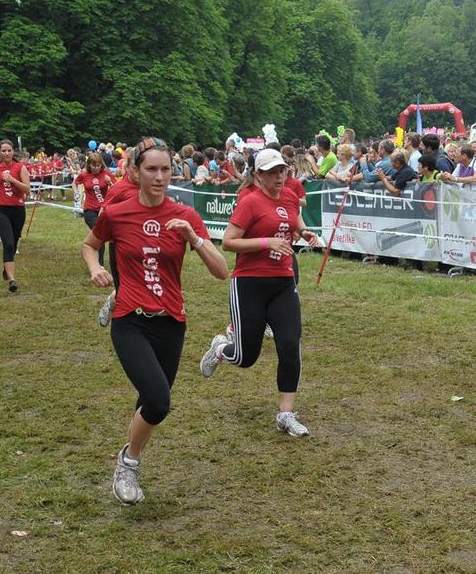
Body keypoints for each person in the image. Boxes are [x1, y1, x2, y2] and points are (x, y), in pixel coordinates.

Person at [81, 137, 228, 505]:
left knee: (149, 399)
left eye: (166, 169)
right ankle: (128, 463)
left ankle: (129, 456)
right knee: (159, 401)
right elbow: (89, 245)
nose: (160, 177)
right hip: (130, 319)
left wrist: (194, 239)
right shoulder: (117, 213)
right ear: (135, 171)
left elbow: (221, 270)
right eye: (151, 169)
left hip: (171, 322)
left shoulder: (186, 215)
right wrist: (95, 268)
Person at [199, 149, 320, 438]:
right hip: (249, 283)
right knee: (245, 357)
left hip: (283, 283)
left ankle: (286, 414)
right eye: (272, 172)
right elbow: (228, 242)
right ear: (258, 175)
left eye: (282, 170)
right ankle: (220, 348)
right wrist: (266, 243)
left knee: (290, 344)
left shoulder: (289, 196)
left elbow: (294, 222)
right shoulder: (250, 201)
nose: (279, 176)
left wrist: (304, 233)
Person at [0, 139, 31, 292]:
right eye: (3, 151)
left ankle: (7, 266)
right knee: (8, 243)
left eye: (9, 150)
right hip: (0, 208)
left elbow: (27, 189)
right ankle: (12, 280)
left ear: (13, 152)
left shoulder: (20, 167)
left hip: (18, 208)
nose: (6, 153)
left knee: (14, 240)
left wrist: (12, 180)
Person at [73, 153, 115, 267]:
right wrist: (76, 193)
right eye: (93, 165)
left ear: (101, 165)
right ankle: (98, 264)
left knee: (100, 237)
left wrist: (110, 182)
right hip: (89, 210)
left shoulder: (106, 173)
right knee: (99, 234)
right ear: (89, 165)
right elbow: (75, 183)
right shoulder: (84, 174)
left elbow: (117, 189)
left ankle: (98, 263)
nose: (96, 168)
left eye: (98, 165)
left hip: (103, 210)